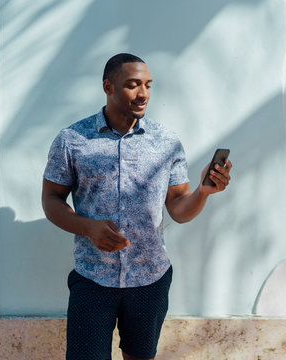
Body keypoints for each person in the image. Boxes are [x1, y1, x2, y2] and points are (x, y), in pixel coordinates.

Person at [42, 53, 232, 360]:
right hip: (93, 278)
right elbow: (51, 199)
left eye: (148, 85)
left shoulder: (166, 141)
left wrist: (203, 192)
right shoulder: (72, 139)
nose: (143, 93)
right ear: (108, 86)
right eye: (132, 85)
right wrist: (88, 227)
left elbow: (178, 209)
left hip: (150, 279)